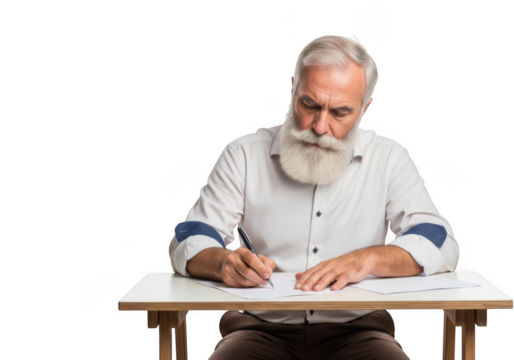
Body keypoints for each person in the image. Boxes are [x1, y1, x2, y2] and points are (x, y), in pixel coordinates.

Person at [168, 35, 461, 359]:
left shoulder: (389, 159)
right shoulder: (244, 154)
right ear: (293, 88)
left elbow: (439, 241)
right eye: (309, 104)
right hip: (256, 330)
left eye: (340, 112)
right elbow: (190, 238)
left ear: (365, 108)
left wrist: (366, 259)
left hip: (361, 331)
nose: (320, 126)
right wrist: (224, 263)